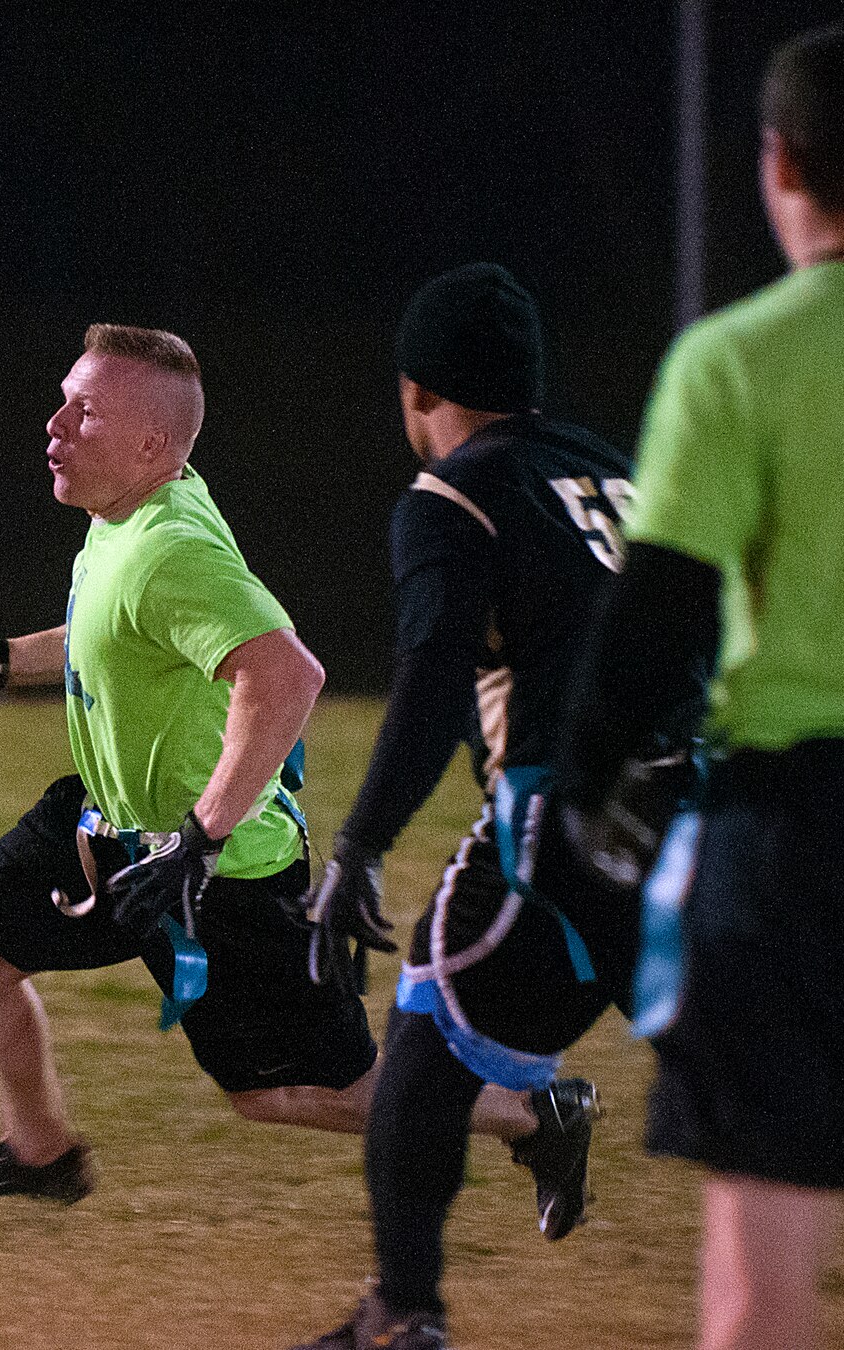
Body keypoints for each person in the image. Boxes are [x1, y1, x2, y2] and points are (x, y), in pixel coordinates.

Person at [0, 323, 542, 1209]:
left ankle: (537, 1113)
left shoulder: (173, 550)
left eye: (82, 412)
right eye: (63, 401)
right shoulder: (127, 515)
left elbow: (288, 676)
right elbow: (109, 631)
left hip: (222, 871)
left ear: (149, 444)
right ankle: (41, 1154)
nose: (53, 424)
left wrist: (201, 838)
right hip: (112, 830)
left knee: (294, 1092)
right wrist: (4, 662)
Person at [290, 264, 689, 1350]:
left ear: (418, 393)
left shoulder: (453, 496)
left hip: (567, 823)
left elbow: (428, 685)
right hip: (695, 815)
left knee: (422, 1037)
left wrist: (359, 847)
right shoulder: (612, 474)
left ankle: (401, 1315)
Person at [551, 23, 844, 1350]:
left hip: (793, 839)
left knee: (760, 1275)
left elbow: (657, 609)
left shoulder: (738, 360)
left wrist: (587, 782)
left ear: (781, 162)